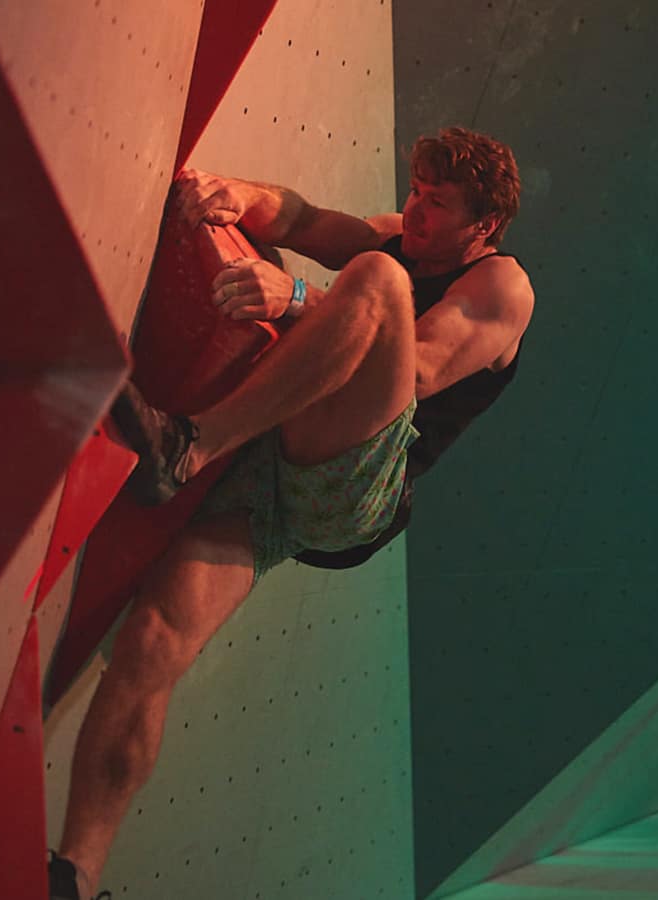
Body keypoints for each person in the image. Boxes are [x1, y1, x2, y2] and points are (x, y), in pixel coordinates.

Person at [48, 127, 534, 900]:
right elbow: (304, 220)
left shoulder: (502, 288)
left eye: (438, 205)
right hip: (276, 473)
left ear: (485, 226)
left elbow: (416, 368)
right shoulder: (398, 234)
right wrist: (236, 195)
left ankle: (192, 449)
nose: (415, 211)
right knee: (150, 646)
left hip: (356, 489)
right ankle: (78, 873)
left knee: (377, 281)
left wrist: (300, 296)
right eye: (415, 190)